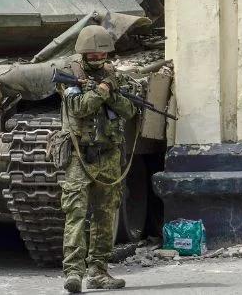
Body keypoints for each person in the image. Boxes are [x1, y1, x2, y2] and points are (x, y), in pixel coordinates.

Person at [56, 26, 137, 292]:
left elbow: (129, 110)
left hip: (109, 153)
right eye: (91, 55)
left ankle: (98, 270)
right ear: (83, 54)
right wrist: (102, 90)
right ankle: (73, 272)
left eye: (101, 54)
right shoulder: (70, 77)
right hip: (81, 154)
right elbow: (79, 108)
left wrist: (111, 91)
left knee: (105, 213)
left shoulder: (113, 76)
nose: (97, 59)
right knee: (76, 212)